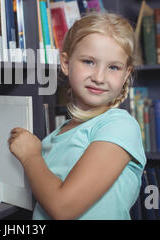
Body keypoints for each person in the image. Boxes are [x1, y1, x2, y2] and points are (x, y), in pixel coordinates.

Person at [8, 12, 146, 220]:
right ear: (66, 63)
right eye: (89, 62)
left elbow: (63, 208)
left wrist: (30, 156)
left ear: (126, 74)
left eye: (113, 67)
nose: (99, 77)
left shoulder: (120, 125)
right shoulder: (58, 133)